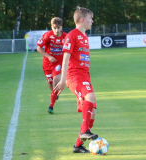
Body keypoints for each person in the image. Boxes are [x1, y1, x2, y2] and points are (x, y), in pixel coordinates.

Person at [54, 7, 98, 153]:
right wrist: (63, 79)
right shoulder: (72, 35)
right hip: (74, 75)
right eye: (90, 18)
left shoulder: (84, 36)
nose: (92, 21)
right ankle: (85, 131)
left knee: (92, 113)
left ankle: (78, 145)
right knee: (91, 96)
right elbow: (65, 57)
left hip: (85, 76)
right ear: (82, 19)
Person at [37, 17, 67, 114]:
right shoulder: (47, 35)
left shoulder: (66, 37)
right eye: (54, 27)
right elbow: (39, 48)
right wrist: (48, 56)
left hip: (58, 64)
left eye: (59, 27)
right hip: (47, 64)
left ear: (62, 27)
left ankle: (51, 106)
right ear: (51, 27)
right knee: (51, 86)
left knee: (55, 84)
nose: (57, 30)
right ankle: (54, 93)